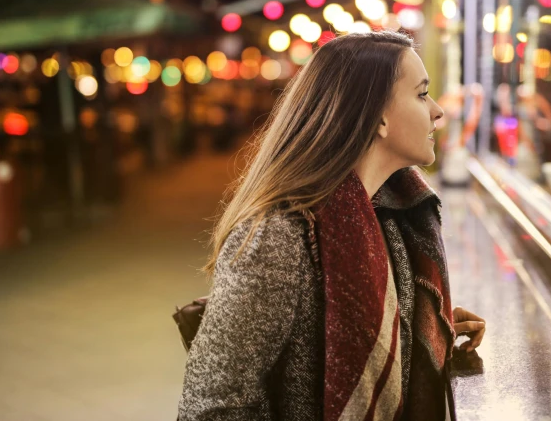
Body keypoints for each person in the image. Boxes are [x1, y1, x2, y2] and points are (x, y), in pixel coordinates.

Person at [178, 31, 487, 421]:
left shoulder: (392, 216)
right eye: (422, 94)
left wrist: (423, 324)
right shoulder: (278, 236)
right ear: (377, 116)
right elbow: (210, 408)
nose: (438, 111)